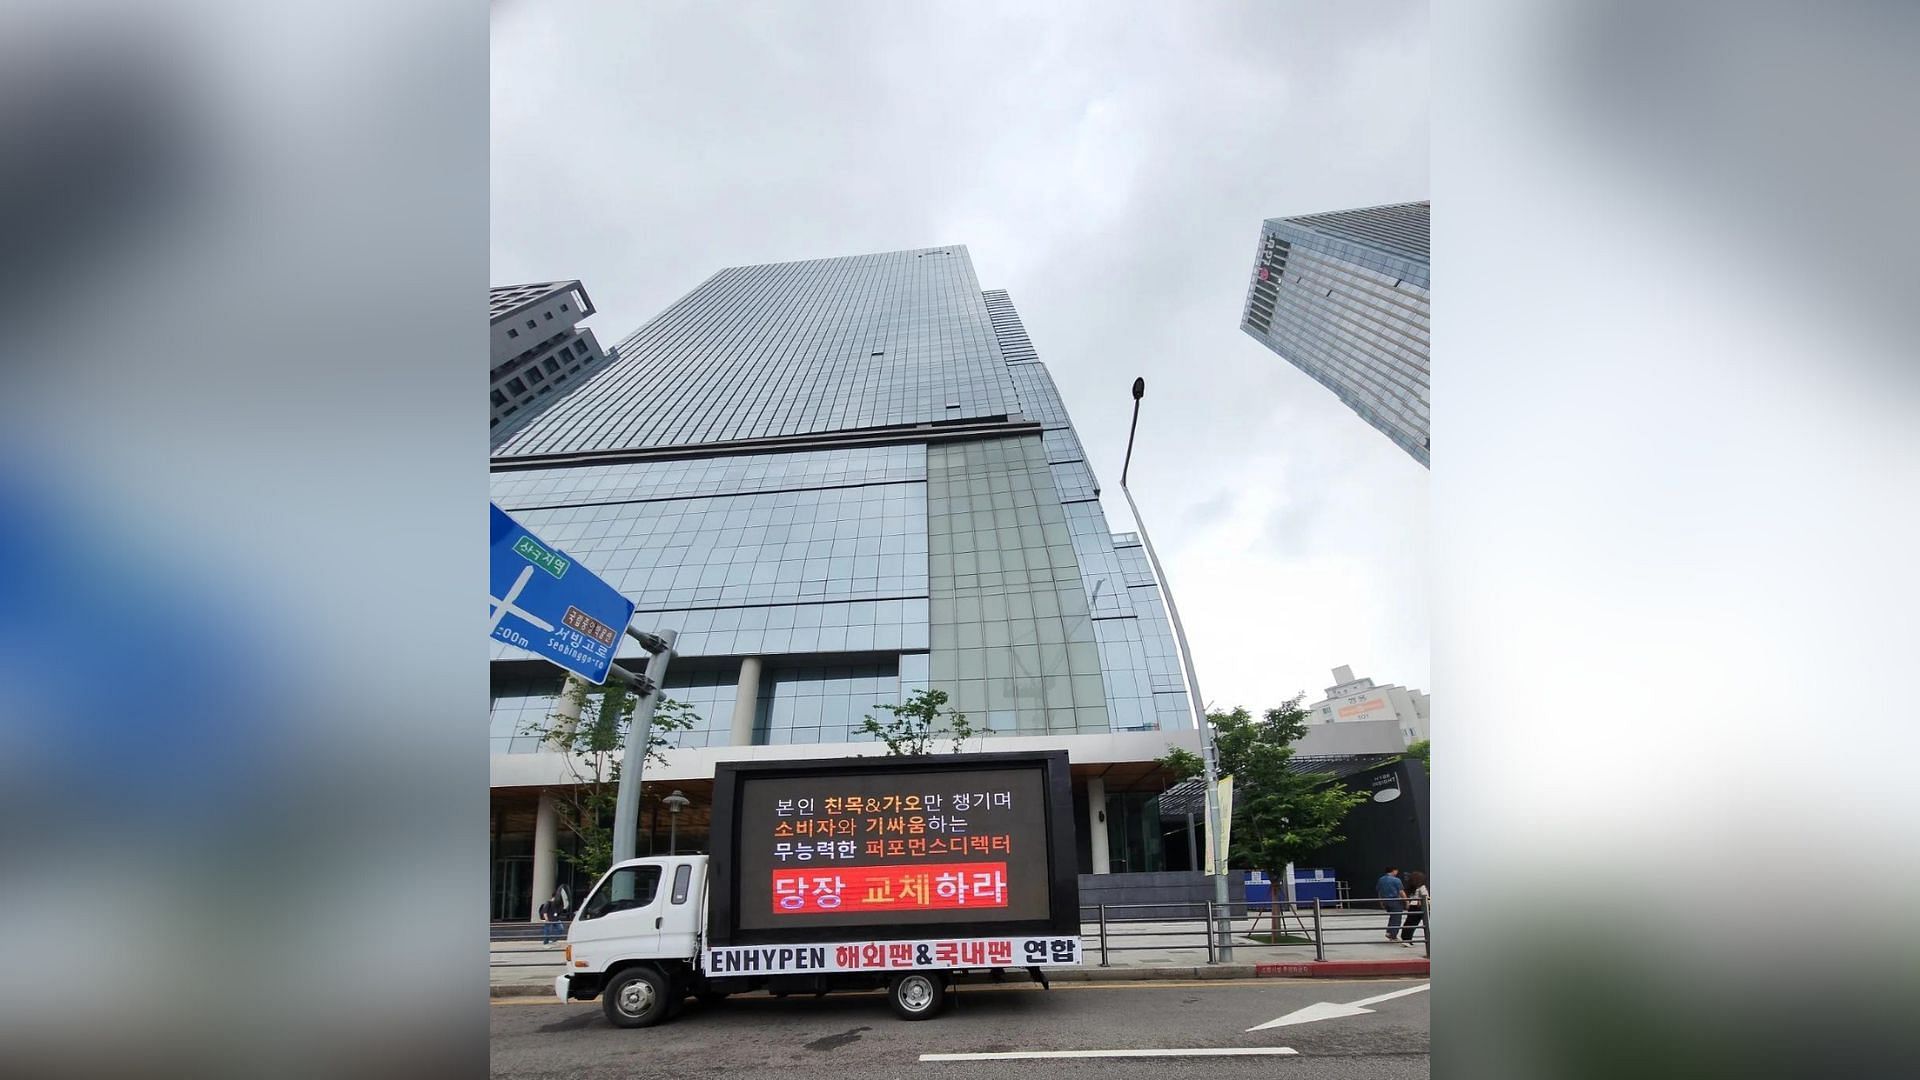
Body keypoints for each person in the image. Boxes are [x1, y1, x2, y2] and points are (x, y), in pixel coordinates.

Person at [1376, 866, 1406, 941]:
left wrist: (1381, 901)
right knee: (1397, 918)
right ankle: (1393, 934)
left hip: (1385, 900)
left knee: (1393, 916)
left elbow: (1379, 891)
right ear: (1394, 871)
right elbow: (1401, 892)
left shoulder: (1381, 879)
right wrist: (1406, 901)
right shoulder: (1396, 880)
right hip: (1395, 900)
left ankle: (1389, 931)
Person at [1398, 871, 1429, 946]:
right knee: (1416, 923)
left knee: (1409, 923)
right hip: (1419, 906)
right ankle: (1407, 940)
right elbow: (1425, 897)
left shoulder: (1411, 887)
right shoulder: (1422, 887)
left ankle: (1405, 938)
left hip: (1412, 905)